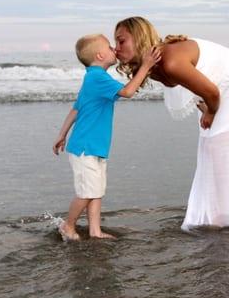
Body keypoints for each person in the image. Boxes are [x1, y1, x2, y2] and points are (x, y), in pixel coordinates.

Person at [114, 16, 229, 232]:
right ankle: (218, 212)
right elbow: (198, 83)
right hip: (216, 84)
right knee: (211, 145)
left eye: (121, 41)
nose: (116, 49)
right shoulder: (153, 65)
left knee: (217, 143)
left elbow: (211, 92)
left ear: (139, 38)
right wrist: (206, 106)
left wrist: (210, 111)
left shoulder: (170, 62)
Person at [53, 33, 160, 241]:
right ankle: (68, 225)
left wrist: (62, 134)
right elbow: (128, 92)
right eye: (111, 47)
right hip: (86, 147)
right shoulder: (98, 77)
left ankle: (95, 230)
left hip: (94, 146)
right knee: (86, 192)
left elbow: (76, 108)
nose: (115, 49)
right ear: (101, 55)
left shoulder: (91, 77)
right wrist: (146, 66)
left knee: (96, 190)